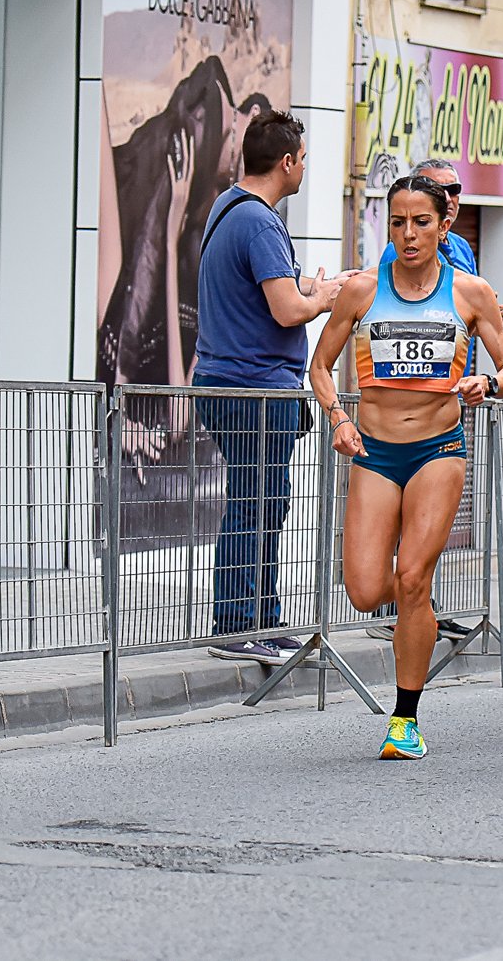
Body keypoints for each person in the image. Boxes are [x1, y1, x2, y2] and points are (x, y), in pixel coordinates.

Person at [310, 174, 503, 758]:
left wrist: (487, 382)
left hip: (439, 450)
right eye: (398, 222)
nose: (408, 234)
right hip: (374, 452)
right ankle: (417, 613)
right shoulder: (360, 290)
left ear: (443, 225)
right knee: (363, 589)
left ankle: (405, 719)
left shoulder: (469, 293)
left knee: (412, 579)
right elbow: (321, 366)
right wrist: (338, 418)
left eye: (421, 222)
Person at [194, 109, 347, 664]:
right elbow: (286, 311)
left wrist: (317, 285)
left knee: (262, 500)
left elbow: (276, 288)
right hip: (253, 387)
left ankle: (261, 618)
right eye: (302, 158)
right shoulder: (258, 220)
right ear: (286, 162)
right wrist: (323, 300)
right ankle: (239, 624)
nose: (304, 167)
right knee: (256, 503)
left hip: (235, 381)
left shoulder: (228, 208)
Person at [380, 157, 477, 273]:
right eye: (435, 191)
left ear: (444, 227)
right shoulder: (400, 251)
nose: (446, 198)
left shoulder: (462, 246)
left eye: (453, 190)